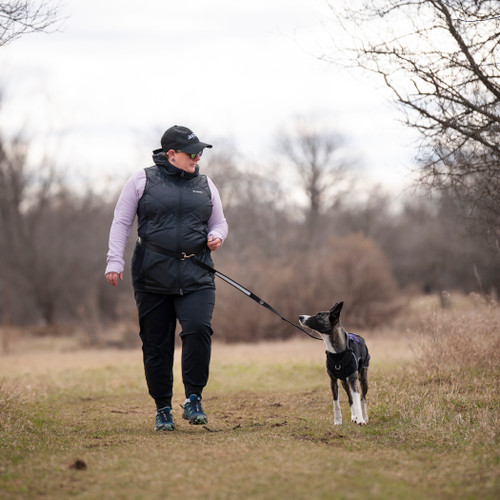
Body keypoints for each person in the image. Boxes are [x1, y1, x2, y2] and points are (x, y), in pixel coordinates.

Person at [105, 125, 228, 431]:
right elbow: (121, 222)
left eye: (200, 153)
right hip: (152, 274)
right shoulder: (141, 180)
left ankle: (194, 398)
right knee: (156, 344)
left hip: (197, 272)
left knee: (198, 330)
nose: (197, 158)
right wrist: (114, 260)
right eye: (192, 153)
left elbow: (220, 222)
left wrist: (216, 235)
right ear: (171, 155)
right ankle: (162, 408)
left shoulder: (205, 184)